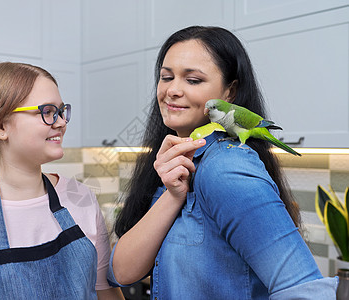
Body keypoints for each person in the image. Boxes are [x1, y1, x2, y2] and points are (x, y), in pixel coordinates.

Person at [107, 26, 338, 299]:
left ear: (230, 92)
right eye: (166, 77)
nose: (172, 90)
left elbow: (305, 290)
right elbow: (119, 272)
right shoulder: (175, 163)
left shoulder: (225, 168)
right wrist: (173, 195)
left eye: (193, 80)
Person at [0, 62, 124, 299]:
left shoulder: (81, 197)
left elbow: (106, 293)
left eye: (61, 111)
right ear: (0, 127)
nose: (61, 122)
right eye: (46, 112)